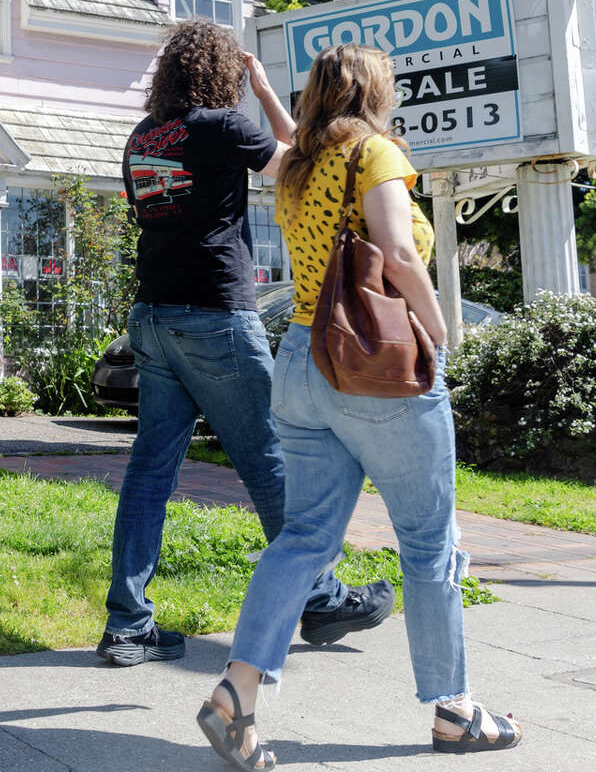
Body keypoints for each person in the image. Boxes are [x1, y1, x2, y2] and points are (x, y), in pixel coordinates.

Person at [195, 43, 521, 767]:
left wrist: (265, 93)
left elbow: (291, 142)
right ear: (376, 93)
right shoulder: (376, 155)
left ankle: (236, 694)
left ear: (316, 96)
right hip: (375, 365)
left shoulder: (297, 166)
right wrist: (441, 333)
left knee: (304, 538)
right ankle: (455, 711)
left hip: (300, 361)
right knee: (429, 544)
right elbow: (398, 256)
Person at [98, 20, 393, 668]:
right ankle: (321, 597)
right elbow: (301, 165)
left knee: (149, 473)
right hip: (214, 315)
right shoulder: (222, 126)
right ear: (222, 73)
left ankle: (127, 625)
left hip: (152, 315)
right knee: (271, 458)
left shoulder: (143, 137)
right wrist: (263, 93)